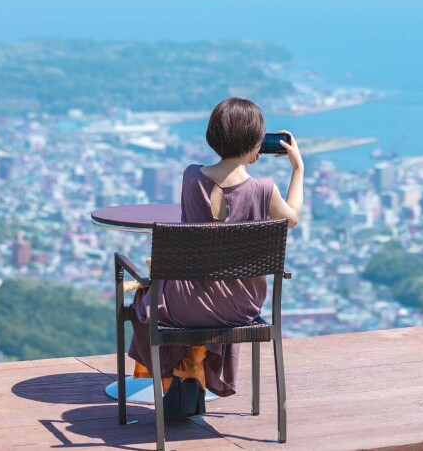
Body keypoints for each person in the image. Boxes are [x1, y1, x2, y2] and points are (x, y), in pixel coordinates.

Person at [128, 97, 303, 419]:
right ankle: (192, 371)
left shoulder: (191, 177)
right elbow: (291, 219)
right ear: (256, 144)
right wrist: (298, 168)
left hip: (181, 308)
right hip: (239, 308)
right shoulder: (265, 189)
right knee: (215, 298)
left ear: (213, 137)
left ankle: (184, 371)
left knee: (147, 298)